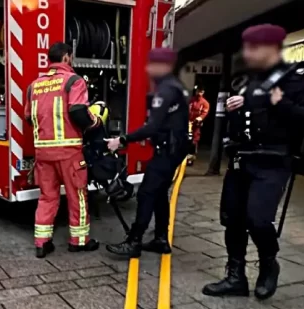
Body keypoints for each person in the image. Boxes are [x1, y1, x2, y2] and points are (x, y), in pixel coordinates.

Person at [202, 24, 304, 300]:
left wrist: (280, 104)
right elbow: (240, 126)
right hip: (242, 159)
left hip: (273, 160)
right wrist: (233, 112)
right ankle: (235, 278)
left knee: (258, 219)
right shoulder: (246, 82)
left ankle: (269, 264)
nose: (248, 53)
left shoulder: (297, 78)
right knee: (232, 219)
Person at [105, 48, 190, 258]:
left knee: (146, 193)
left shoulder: (166, 90)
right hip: (172, 150)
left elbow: (152, 127)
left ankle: (134, 241)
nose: (148, 68)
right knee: (159, 193)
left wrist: (121, 140)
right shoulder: (173, 87)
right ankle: (161, 238)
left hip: (166, 152)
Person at [24, 43, 101, 258]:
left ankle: (42, 243)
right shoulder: (73, 81)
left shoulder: (34, 85)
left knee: (47, 197)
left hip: (43, 153)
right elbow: (78, 111)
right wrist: (95, 122)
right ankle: (79, 241)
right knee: (77, 195)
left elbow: (29, 117)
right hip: (68, 152)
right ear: (67, 57)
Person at [188, 87, 210, 166]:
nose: (199, 93)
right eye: (198, 91)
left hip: (196, 124)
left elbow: (204, 113)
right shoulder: (191, 100)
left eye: (201, 91)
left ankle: (191, 158)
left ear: (203, 92)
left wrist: (199, 118)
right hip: (188, 123)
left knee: (194, 141)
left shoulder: (205, 103)